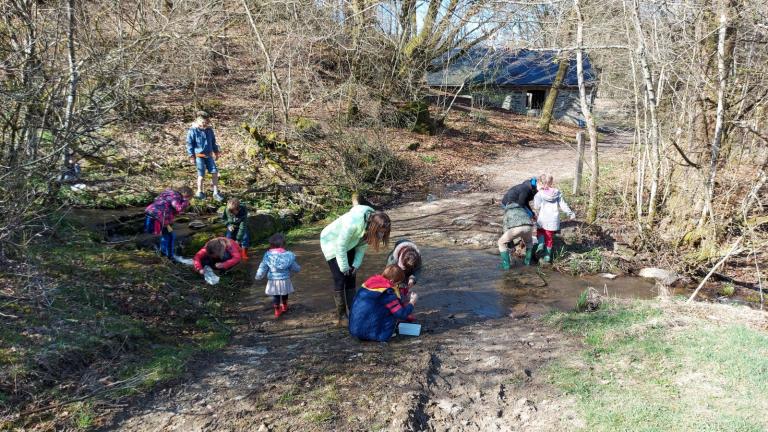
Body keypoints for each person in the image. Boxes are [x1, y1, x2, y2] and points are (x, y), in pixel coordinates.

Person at [320, 205, 391, 327]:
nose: (381, 236)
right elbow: (340, 247)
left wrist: (355, 265)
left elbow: (362, 245)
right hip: (331, 242)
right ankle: (342, 316)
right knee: (340, 278)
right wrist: (344, 267)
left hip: (350, 243)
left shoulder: (370, 223)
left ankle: (354, 312)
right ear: (374, 227)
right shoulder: (352, 224)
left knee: (351, 276)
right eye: (380, 233)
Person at [348, 265, 418, 342]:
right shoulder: (387, 292)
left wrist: (404, 292)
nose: (397, 286)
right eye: (397, 283)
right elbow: (401, 314)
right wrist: (412, 302)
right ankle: (381, 334)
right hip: (372, 335)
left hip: (354, 329)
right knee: (393, 313)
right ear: (392, 281)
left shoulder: (371, 282)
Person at [255, 233, 301, 319]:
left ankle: (277, 310)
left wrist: (259, 275)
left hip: (273, 280)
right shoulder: (288, 256)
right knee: (285, 293)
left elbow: (263, 266)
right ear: (283, 244)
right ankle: (285, 306)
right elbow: (293, 266)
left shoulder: (268, 256)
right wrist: (298, 268)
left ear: (271, 245)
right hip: (285, 279)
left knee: (275, 295)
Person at [533, 175, 576, 263]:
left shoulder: (539, 194)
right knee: (549, 238)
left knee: (540, 231)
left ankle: (540, 244)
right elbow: (563, 204)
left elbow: (536, 206)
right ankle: (547, 256)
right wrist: (570, 213)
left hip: (543, 218)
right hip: (553, 219)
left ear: (541, 183)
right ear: (551, 182)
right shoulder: (557, 192)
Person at [144, 186, 193, 259]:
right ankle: (170, 257)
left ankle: (163, 253)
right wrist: (186, 200)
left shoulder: (168, 193)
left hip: (151, 212)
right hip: (159, 216)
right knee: (170, 236)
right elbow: (179, 207)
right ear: (185, 193)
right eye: (189, 196)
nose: (189, 198)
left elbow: (164, 204)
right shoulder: (176, 196)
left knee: (166, 234)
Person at [186, 111, 223, 201]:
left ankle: (216, 192)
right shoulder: (193, 131)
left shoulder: (209, 130)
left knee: (214, 172)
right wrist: (191, 156)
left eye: (206, 123)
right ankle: (200, 192)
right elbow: (189, 144)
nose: (205, 124)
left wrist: (216, 152)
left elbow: (213, 142)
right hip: (199, 156)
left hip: (209, 155)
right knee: (201, 175)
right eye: (203, 123)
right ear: (198, 121)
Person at [385, 239, 422, 320]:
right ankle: (395, 309)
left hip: (409, 271)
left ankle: (404, 309)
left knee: (405, 289)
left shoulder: (417, 257)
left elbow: (418, 270)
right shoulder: (392, 258)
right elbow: (388, 275)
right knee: (394, 289)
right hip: (396, 271)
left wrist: (412, 278)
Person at [497, 202, 536, 269]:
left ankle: (506, 265)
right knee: (529, 243)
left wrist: (511, 244)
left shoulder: (508, 212)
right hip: (528, 227)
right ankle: (527, 262)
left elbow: (505, 228)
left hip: (516, 229)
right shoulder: (522, 209)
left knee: (501, 242)